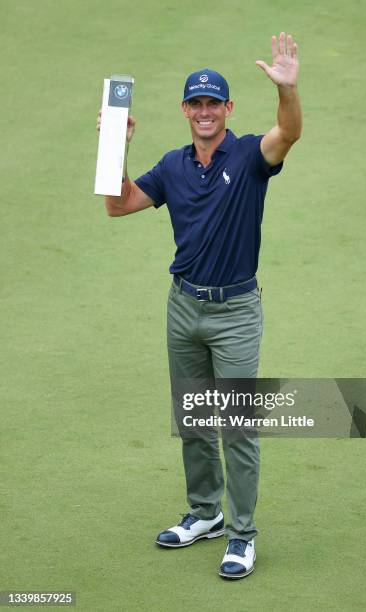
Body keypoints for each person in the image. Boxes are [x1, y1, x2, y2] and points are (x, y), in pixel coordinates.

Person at [96, 31, 301, 579]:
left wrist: (288, 90)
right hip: (183, 307)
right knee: (192, 418)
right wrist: (116, 141)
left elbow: (290, 132)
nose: (205, 111)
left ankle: (241, 535)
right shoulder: (172, 165)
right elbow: (119, 205)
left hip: (235, 313)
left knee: (235, 425)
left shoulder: (250, 154)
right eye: (197, 103)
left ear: (228, 109)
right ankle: (205, 513)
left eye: (215, 103)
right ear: (186, 110)